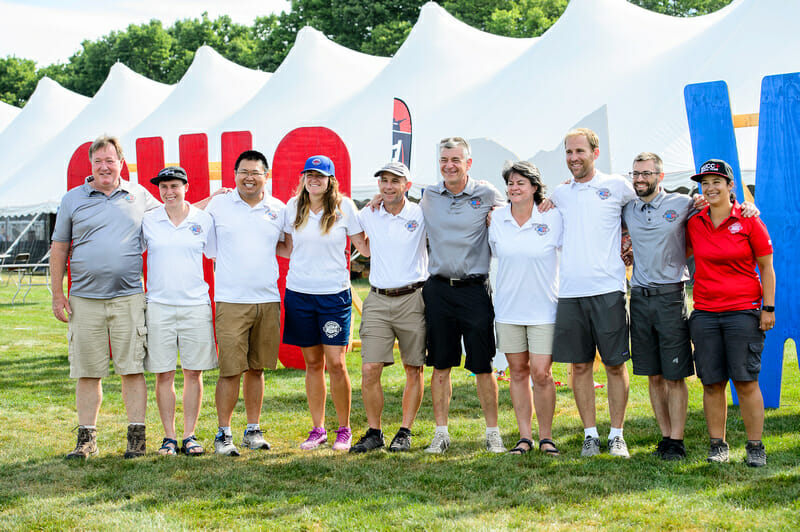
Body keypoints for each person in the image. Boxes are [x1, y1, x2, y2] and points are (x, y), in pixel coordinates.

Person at [51, 135, 160, 459]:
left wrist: (213, 200)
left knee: (132, 369)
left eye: (110, 160)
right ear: (91, 165)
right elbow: (59, 248)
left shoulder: (139, 195)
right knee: (88, 371)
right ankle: (87, 441)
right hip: (84, 300)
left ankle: (136, 440)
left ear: (121, 163)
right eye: (98, 161)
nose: (104, 166)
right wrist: (58, 294)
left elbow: (175, 214)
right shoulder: (72, 199)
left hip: (128, 298)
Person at [548, 128, 636, 458]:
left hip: (608, 289)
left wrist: (630, 246)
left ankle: (616, 435)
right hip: (570, 292)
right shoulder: (559, 194)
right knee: (580, 367)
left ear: (595, 153)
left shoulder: (616, 186)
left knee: (615, 365)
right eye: (569, 152)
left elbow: (648, 207)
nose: (573, 158)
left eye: (579, 152)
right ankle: (590, 435)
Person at [686, 159, 775, 467]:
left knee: (746, 381)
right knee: (711, 383)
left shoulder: (749, 220)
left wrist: (768, 308)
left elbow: (766, 267)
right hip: (706, 313)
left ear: (730, 186)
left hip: (743, 313)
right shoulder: (695, 221)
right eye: (705, 183)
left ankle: (755, 446)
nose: (710, 188)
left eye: (716, 182)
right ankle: (717, 445)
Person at [420, 137, 507, 454]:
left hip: (475, 290)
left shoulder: (486, 193)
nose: (449, 165)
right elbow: (396, 203)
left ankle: (492, 433)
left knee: (482, 366)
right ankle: (441, 434)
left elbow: (518, 208)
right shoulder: (428, 195)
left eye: (456, 159)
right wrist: (376, 199)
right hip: (439, 290)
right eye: (444, 159)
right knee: (440, 366)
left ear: (468, 163)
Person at [281, 155, 369, 452]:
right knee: (313, 364)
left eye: (320, 175)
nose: (313, 180)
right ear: (304, 177)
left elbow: (364, 246)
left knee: (336, 362)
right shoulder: (293, 207)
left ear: (330, 179)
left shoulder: (345, 207)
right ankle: (317, 429)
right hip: (299, 294)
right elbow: (286, 247)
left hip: (334, 296)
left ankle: (343, 429)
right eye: (309, 174)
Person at [205, 150, 286, 456]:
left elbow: (288, 244)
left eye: (256, 172)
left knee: (257, 369)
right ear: (234, 174)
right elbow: (209, 247)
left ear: (267, 176)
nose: (249, 177)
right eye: (243, 172)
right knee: (229, 370)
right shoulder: (219, 206)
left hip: (267, 298)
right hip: (231, 300)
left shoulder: (278, 209)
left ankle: (253, 430)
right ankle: (223, 433)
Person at [349, 162, 427, 453]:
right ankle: (374, 432)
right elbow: (363, 246)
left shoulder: (421, 213)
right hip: (378, 298)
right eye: (383, 181)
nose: (388, 186)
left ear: (407, 184)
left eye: (395, 181)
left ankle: (405, 431)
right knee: (369, 369)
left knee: (413, 367)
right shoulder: (368, 213)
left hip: (413, 296)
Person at [142, 166, 218, 456]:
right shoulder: (149, 220)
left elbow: (213, 255)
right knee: (163, 374)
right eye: (163, 187)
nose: (169, 192)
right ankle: (169, 438)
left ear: (186, 186)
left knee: (193, 373)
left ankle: (189, 435)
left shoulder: (204, 220)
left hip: (195, 305)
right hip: (158, 306)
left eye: (174, 186)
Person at [488, 161, 562, 456]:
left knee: (541, 373)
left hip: (544, 309)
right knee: (517, 372)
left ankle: (547, 438)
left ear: (534, 186)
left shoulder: (554, 217)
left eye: (521, 182)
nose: (514, 188)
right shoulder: (496, 219)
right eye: (510, 183)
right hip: (508, 309)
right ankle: (524, 437)